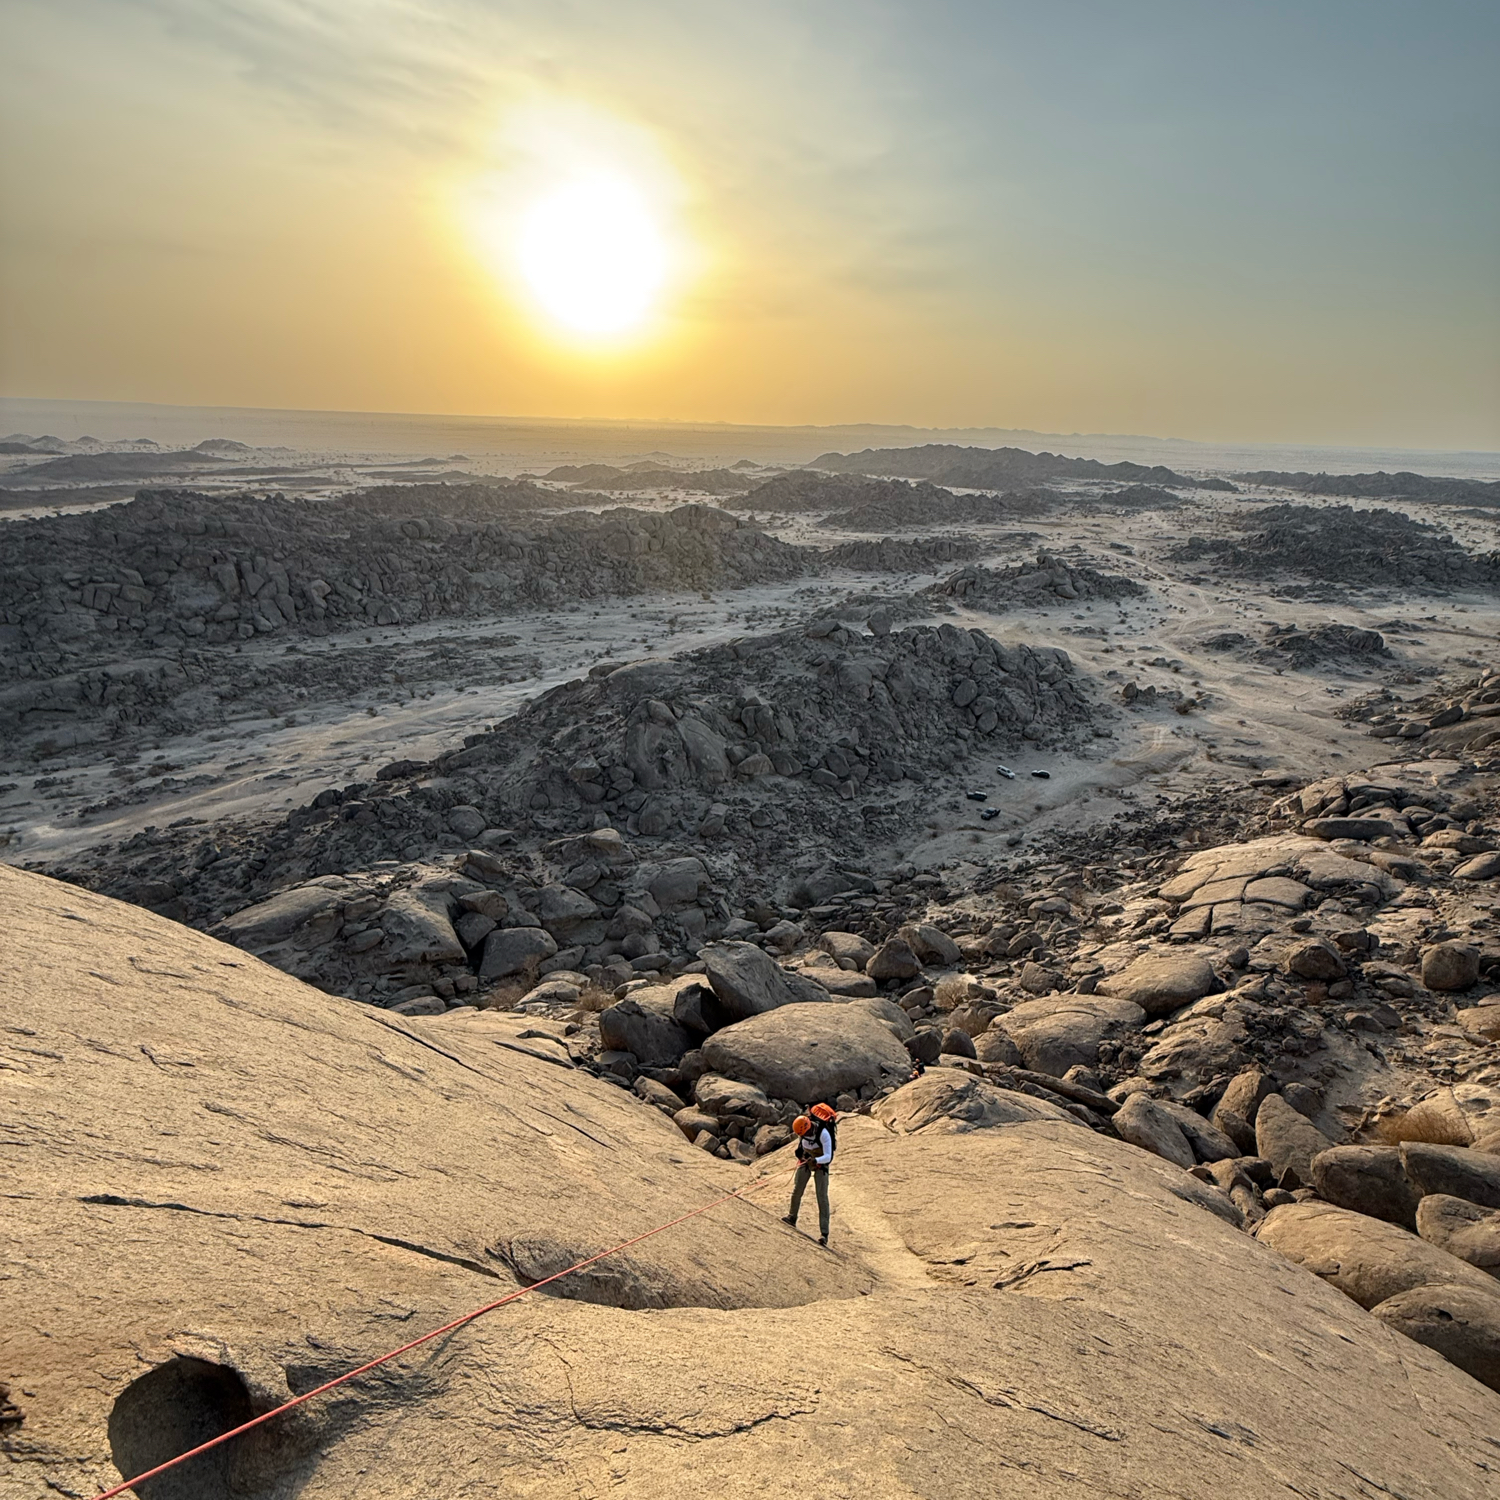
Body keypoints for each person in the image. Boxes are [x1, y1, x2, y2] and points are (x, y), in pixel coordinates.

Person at [782, 1103, 836, 1245]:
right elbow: (802, 1146)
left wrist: (816, 1160)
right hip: (807, 1159)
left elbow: (828, 1156)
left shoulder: (823, 1134)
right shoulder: (803, 1132)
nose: (803, 1136)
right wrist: (801, 1156)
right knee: (797, 1189)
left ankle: (824, 1234)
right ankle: (792, 1217)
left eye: (804, 1134)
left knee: (821, 1196)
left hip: (820, 1163)